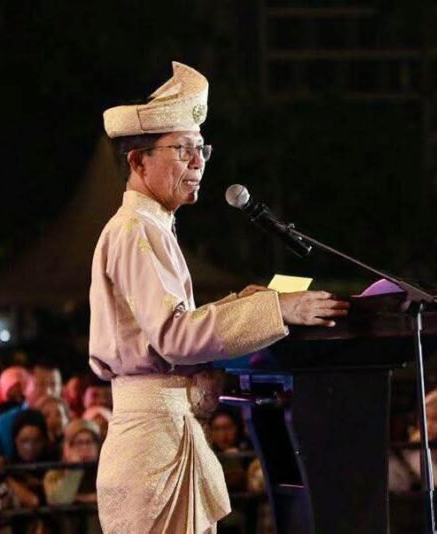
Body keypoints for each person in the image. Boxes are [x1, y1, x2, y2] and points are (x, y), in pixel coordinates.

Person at [91, 61, 349, 534]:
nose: (198, 163)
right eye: (183, 149)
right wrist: (277, 309)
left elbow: (170, 327)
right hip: (151, 445)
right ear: (138, 161)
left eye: (201, 149)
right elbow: (174, 337)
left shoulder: (151, 226)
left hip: (164, 435)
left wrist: (249, 303)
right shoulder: (137, 229)